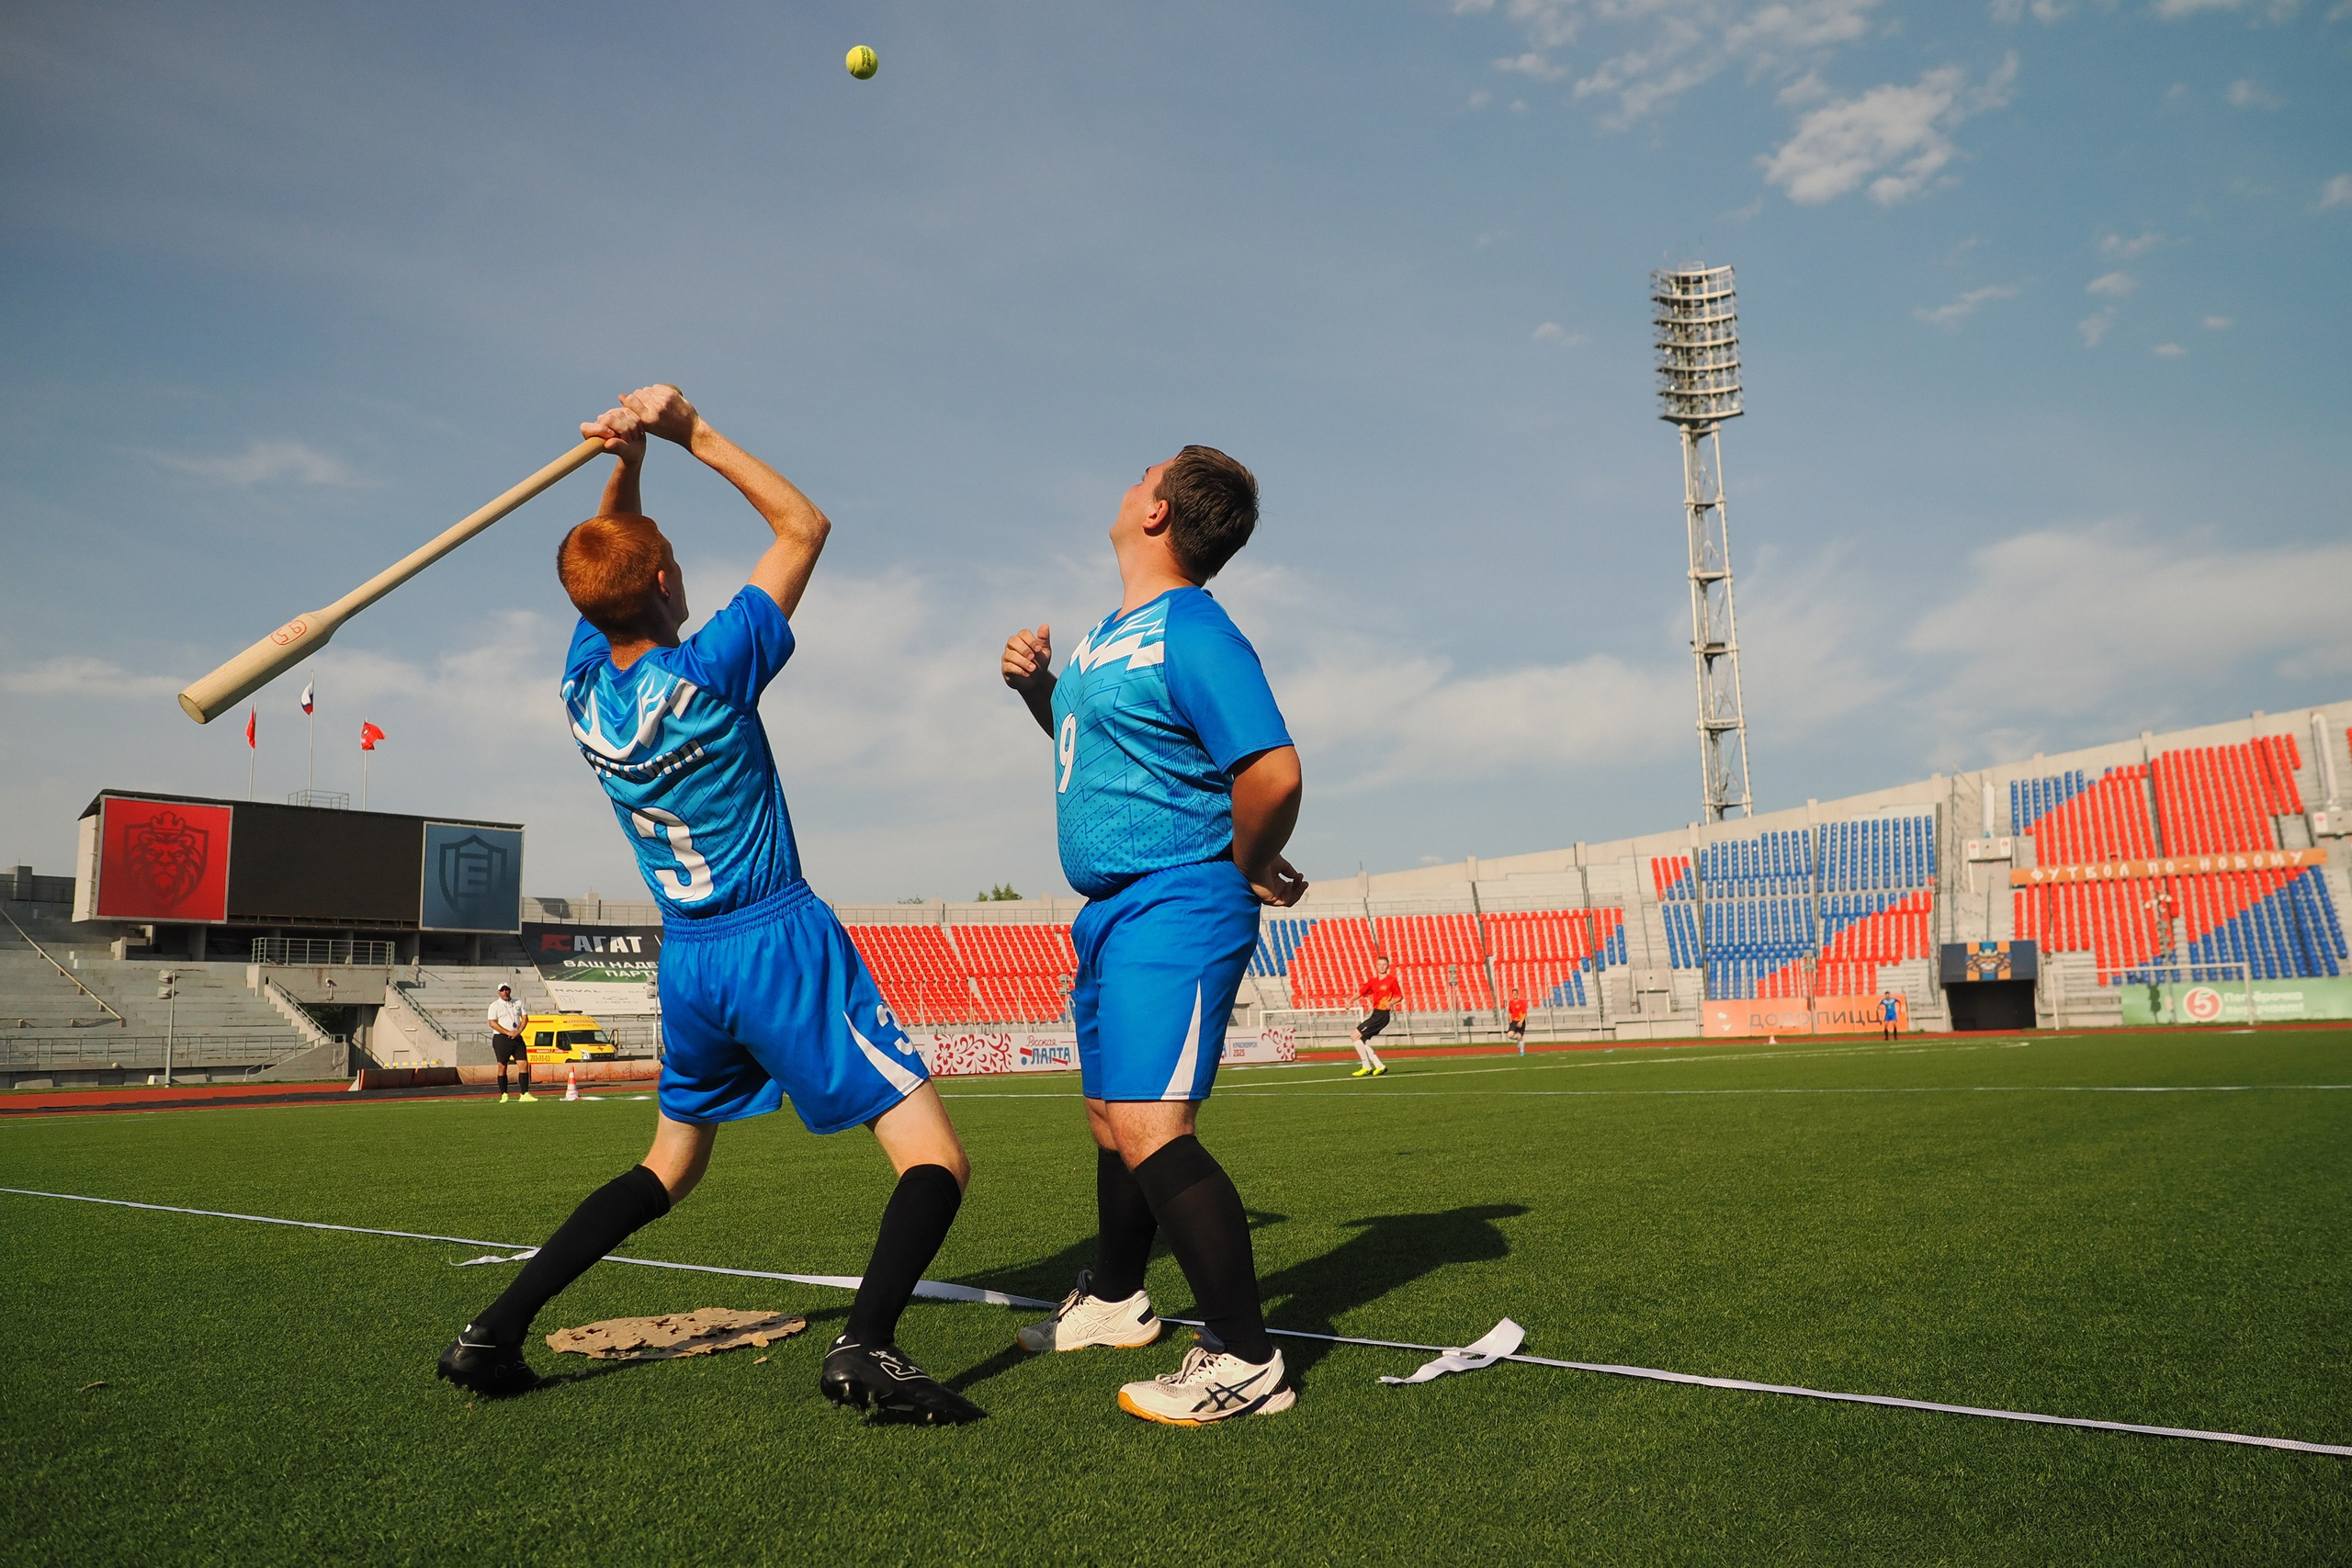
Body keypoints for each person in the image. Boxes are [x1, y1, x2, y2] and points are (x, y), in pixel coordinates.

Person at [436, 386, 983, 1426]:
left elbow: (607, 566)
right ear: (662, 579)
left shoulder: (581, 686)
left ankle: (491, 1332)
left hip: (686, 959)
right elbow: (803, 526)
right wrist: (690, 434)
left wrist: (625, 461)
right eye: (667, 558)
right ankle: (866, 1347)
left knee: (669, 1165)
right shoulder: (713, 670)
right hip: (776, 937)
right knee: (936, 1159)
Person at [999, 445, 1306, 1425]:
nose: (1128, 478)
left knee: (1150, 1126)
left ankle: (1247, 1363)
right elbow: (1107, 751)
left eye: (1144, 474)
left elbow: (1272, 772)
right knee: (1110, 1122)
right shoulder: (1106, 635)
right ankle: (1118, 1300)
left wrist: (1249, 862)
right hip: (1111, 908)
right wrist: (1037, 692)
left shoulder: (1196, 630)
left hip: (1177, 898)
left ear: (1159, 514)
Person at [1351, 955, 1399, 1077]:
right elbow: (1361, 991)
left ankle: (1366, 1066)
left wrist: (1391, 1002)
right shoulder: (1373, 981)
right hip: (1375, 1013)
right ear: (1376, 966)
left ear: (1388, 966)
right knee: (1361, 1039)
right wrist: (1350, 1001)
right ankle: (1379, 1066)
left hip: (1382, 1015)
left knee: (1355, 1036)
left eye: (1384, 964)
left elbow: (1399, 996)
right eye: (1379, 964)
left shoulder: (1391, 980)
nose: (1382, 966)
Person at [487, 983, 532, 1101]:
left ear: (510, 990)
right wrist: (508, 1032)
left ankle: (524, 1093)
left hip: (517, 1038)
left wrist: (518, 1031)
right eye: (502, 990)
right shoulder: (494, 1005)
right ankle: (504, 1094)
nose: (505, 992)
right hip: (501, 1039)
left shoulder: (518, 1002)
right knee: (502, 1066)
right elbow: (492, 1023)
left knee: (524, 1065)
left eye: (507, 989)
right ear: (499, 992)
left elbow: (525, 1018)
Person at [1505, 989, 1528, 1056]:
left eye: (1515, 993)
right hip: (1514, 1021)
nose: (1514, 994)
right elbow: (1509, 1011)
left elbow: (1525, 1013)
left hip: (1521, 1021)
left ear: (1518, 994)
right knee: (1509, 1035)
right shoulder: (1511, 1002)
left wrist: (1521, 1021)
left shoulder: (1522, 1002)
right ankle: (1518, 1040)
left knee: (1520, 1036)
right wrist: (1510, 1019)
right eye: (1513, 993)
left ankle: (1522, 1052)